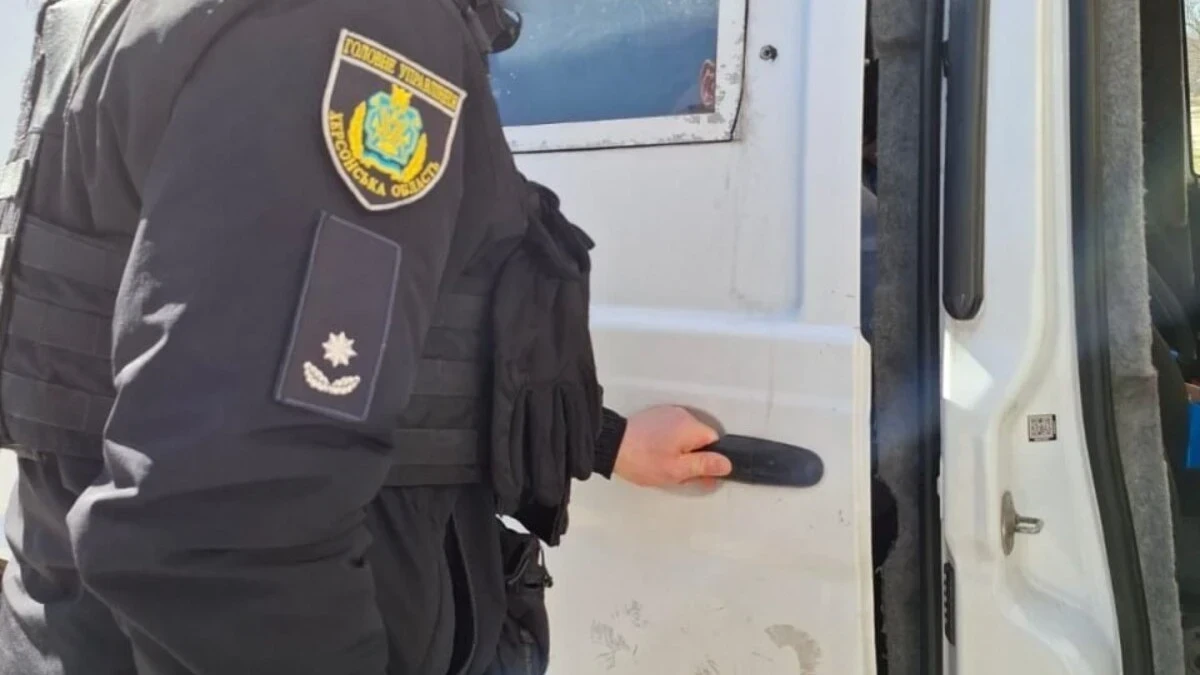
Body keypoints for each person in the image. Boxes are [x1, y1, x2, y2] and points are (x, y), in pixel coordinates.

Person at [0, 1, 732, 674]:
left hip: (73, 623)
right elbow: (226, 517)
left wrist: (606, 442)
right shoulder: (354, 22)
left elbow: (213, 342)